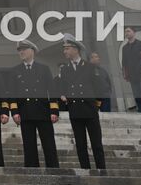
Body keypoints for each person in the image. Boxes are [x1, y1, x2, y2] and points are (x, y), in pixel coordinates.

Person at [6, 39, 59, 168]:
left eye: (24, 49)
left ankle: (54, 170)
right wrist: (14, 112)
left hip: (43, 112)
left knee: (49, 144)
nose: (21, 52)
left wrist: (54, 111)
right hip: (25, 112)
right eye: (19, 50)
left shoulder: (44, 69)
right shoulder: (15, 71)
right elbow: (11, 94)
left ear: (32, 51)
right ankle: (31, 171)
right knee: (29, 145)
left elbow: (52, 91)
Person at [58, 39, 106, 171]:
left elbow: (99, 88)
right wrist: (63, 95)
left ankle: (102, 170)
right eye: (64, 48)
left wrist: (96, 104)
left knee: (96, 144)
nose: (65, 51)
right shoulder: (65, 69)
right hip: (75, 110)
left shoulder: (89, 66)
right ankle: (86, 170)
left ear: (76, 49)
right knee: (80, 145)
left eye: (67, 48)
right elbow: (62, 86)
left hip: (89, 109)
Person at [121, 27, 141, 113]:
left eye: (128, 31)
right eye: (125, 32)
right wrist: (125, 74)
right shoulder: (124, 48)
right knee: (137, 95)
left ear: (134, 32)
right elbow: (124, 62)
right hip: (132, 75)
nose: (127, 33)